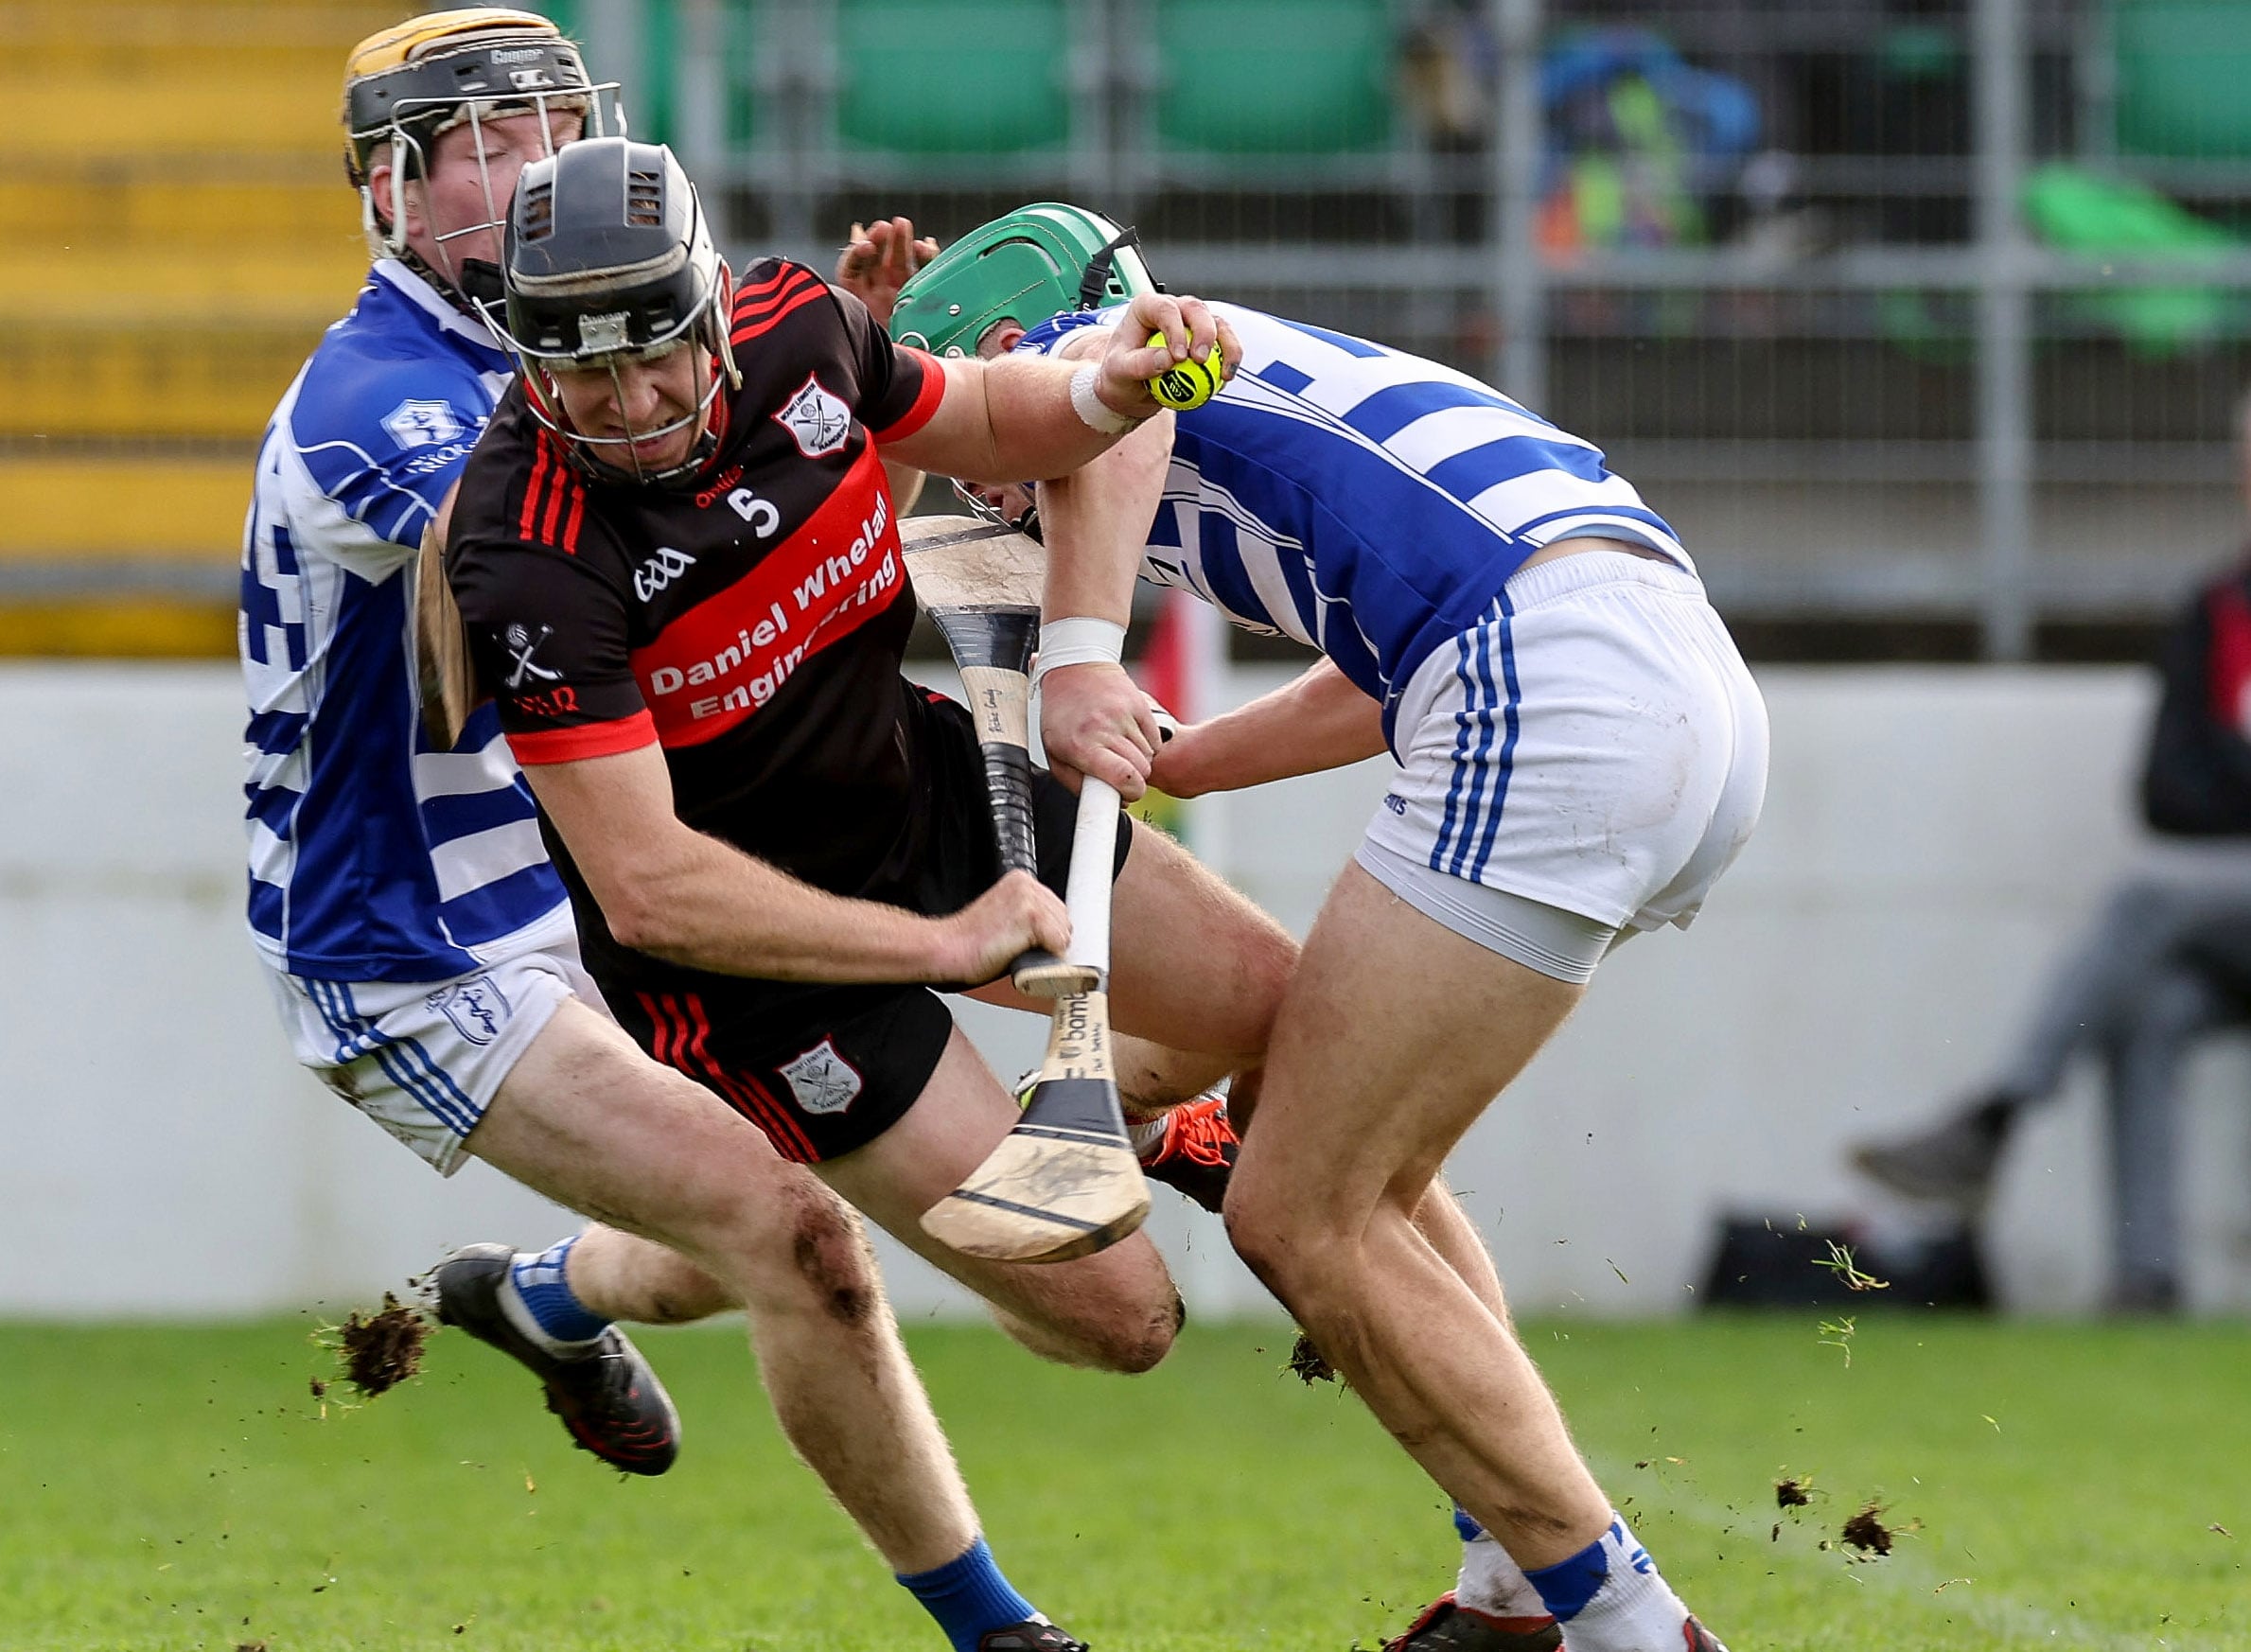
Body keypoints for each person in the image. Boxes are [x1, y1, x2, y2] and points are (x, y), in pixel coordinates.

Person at [243, 19, 1099, 1649]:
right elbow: (655, 538)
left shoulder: (594, 342)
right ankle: (998, 1630)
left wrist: (826, 364)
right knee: (792, 1230)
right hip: (412, 947)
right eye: (475, 146)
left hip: (567, 872)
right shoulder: (390, 405)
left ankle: (543, 1295)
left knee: (744, 1211)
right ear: (387, 190)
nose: (523, 171)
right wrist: (819, 392)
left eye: (549, 127)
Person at [888, 204, 1766, 1652]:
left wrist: (1080, 663)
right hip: (1672, 685)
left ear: (1005, 342)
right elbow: (1373, 673)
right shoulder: (1268, 379)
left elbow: (1114, 427)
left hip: (1547, 683)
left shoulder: (1094, 361)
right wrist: (1181, 756)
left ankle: (1626, 1624)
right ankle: (1506, 1591)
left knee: (1290, 1208)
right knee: (1363, 1175)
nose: (971, 486)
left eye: (965, 435)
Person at [1853, 527, 2251, 1313]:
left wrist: (2226, 781)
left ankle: (1995, 1116)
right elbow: (2164, 793)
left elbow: (2198, 793)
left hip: (2213, 886)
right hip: (2229, 905)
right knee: (2146, 1013)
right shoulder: (2217, 608)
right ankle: (2148, 1281)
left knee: (2145, 897)